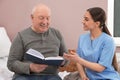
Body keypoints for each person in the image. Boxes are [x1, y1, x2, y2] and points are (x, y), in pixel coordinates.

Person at [7, 4, 67, 80]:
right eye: (41, 18)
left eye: (48, 18)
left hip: (51, 76)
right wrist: (30, 67)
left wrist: (62, 61)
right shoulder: (21, 36)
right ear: (32, 18)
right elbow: (11, 63)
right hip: (25, 76)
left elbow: (66, 57)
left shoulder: (57, 34)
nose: (45, 22)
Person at [64, 7, 120, 80]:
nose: (83, 21)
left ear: (97, 23)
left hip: (106, 77)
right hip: (89, 76)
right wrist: (83, 76)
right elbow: (79, 62)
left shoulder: (108, 41)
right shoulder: (82, 38)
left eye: (86, 19)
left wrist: (78, 59)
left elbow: (100, 68)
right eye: (84, 18)